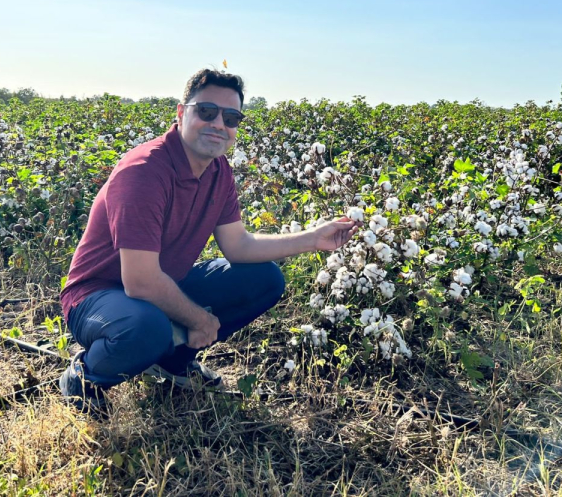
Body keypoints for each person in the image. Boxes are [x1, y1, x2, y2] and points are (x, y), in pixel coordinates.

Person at [58, 68, 358, 411]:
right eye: (207, 111)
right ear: (182, 112)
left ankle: (172, 363)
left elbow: (239, 246)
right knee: (146, 327)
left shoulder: (218, 172)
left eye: (231, 118)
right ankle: (86, 376)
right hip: (97, 298)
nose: (219, 124)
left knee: (265, 278)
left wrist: (314, 239)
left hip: (162, 284)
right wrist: (199, 320)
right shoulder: (144, 171)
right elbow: (140, 281)